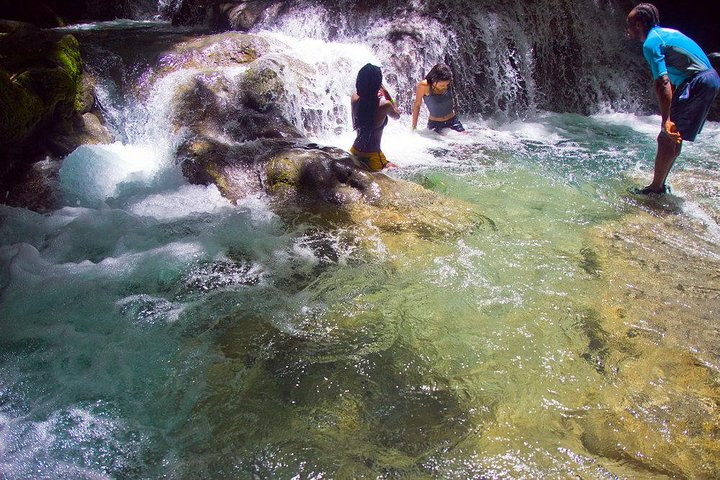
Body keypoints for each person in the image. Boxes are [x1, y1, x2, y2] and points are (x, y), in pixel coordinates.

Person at [626, 3, 720, 194]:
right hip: (707, 79)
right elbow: (677, 73)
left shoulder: (651, 43)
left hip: (698, 81)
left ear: (638, 24)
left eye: (629, 23)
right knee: (673, 136)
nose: (626, 28)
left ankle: (655, 188)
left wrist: (665, 119)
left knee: (666, 135)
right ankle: (659, 185)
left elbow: (662, 82)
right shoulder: (667, 34)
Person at [350, 63, 400, 172]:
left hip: (354, 151)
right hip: (372, 157)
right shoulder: (384, 105)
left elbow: (355, 124)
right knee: (399, 171)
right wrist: (387, 93)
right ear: (378, 85)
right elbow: (397, 115)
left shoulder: (354, 99)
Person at [411, 63, 465, 133]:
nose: (445, 87)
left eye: (447, 84)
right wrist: (414, 127)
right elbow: (417, 105)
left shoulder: (449, 82)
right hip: (435, 124)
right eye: (442, 85)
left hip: (452, 121)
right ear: (434, 80)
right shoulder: (423, 86)